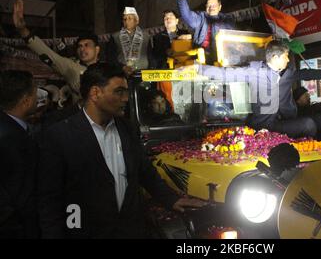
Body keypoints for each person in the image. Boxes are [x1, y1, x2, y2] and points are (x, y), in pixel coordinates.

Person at [38, 63, 205, 238]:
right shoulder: (60, 135)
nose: (126, 98)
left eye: (126, 92)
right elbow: (49, 199)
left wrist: (172, 199)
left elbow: (145, 172)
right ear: (95, 93)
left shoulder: (127, 128)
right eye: (119, 91)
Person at [190, 40, 321, 138]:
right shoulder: (255, 72)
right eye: (286, 57)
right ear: (275, 57)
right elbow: (226, 74)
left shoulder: (288, 73)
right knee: (308, 124)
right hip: (265, 125)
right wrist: (198, 68)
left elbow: (305, 74)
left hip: (285, 120)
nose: (288, 60)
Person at [13, 0, 100, 102]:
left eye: (87, 45)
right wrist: (23, 30)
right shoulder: (71, 67)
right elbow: (47, 53)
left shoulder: (107, 69)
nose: (82, 49)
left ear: (97, 49)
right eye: (80, 46)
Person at [0, 70, 39, 238]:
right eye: (36, 93)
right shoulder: (9, 137)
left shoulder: (13, 129)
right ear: (26, 101)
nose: (38, 98)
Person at [175, 0, 235, 64]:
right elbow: (188, 16)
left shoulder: (227, 20)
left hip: (221, 57)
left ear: (220, 7)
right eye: (209, 5)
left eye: (214, 5)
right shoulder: (201, 17)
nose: (211, 8)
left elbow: (232, 38)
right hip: (201, 56)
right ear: (206, 7)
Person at [106, 7, 153, 76]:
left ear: (136, 21)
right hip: (122, 74)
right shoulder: (115, 37)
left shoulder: (146, 36)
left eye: (130, 18)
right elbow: (111, 57)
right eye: (125, 19)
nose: (127, 21)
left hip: (143, 73)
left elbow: (150, 55)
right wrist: (122, 67)